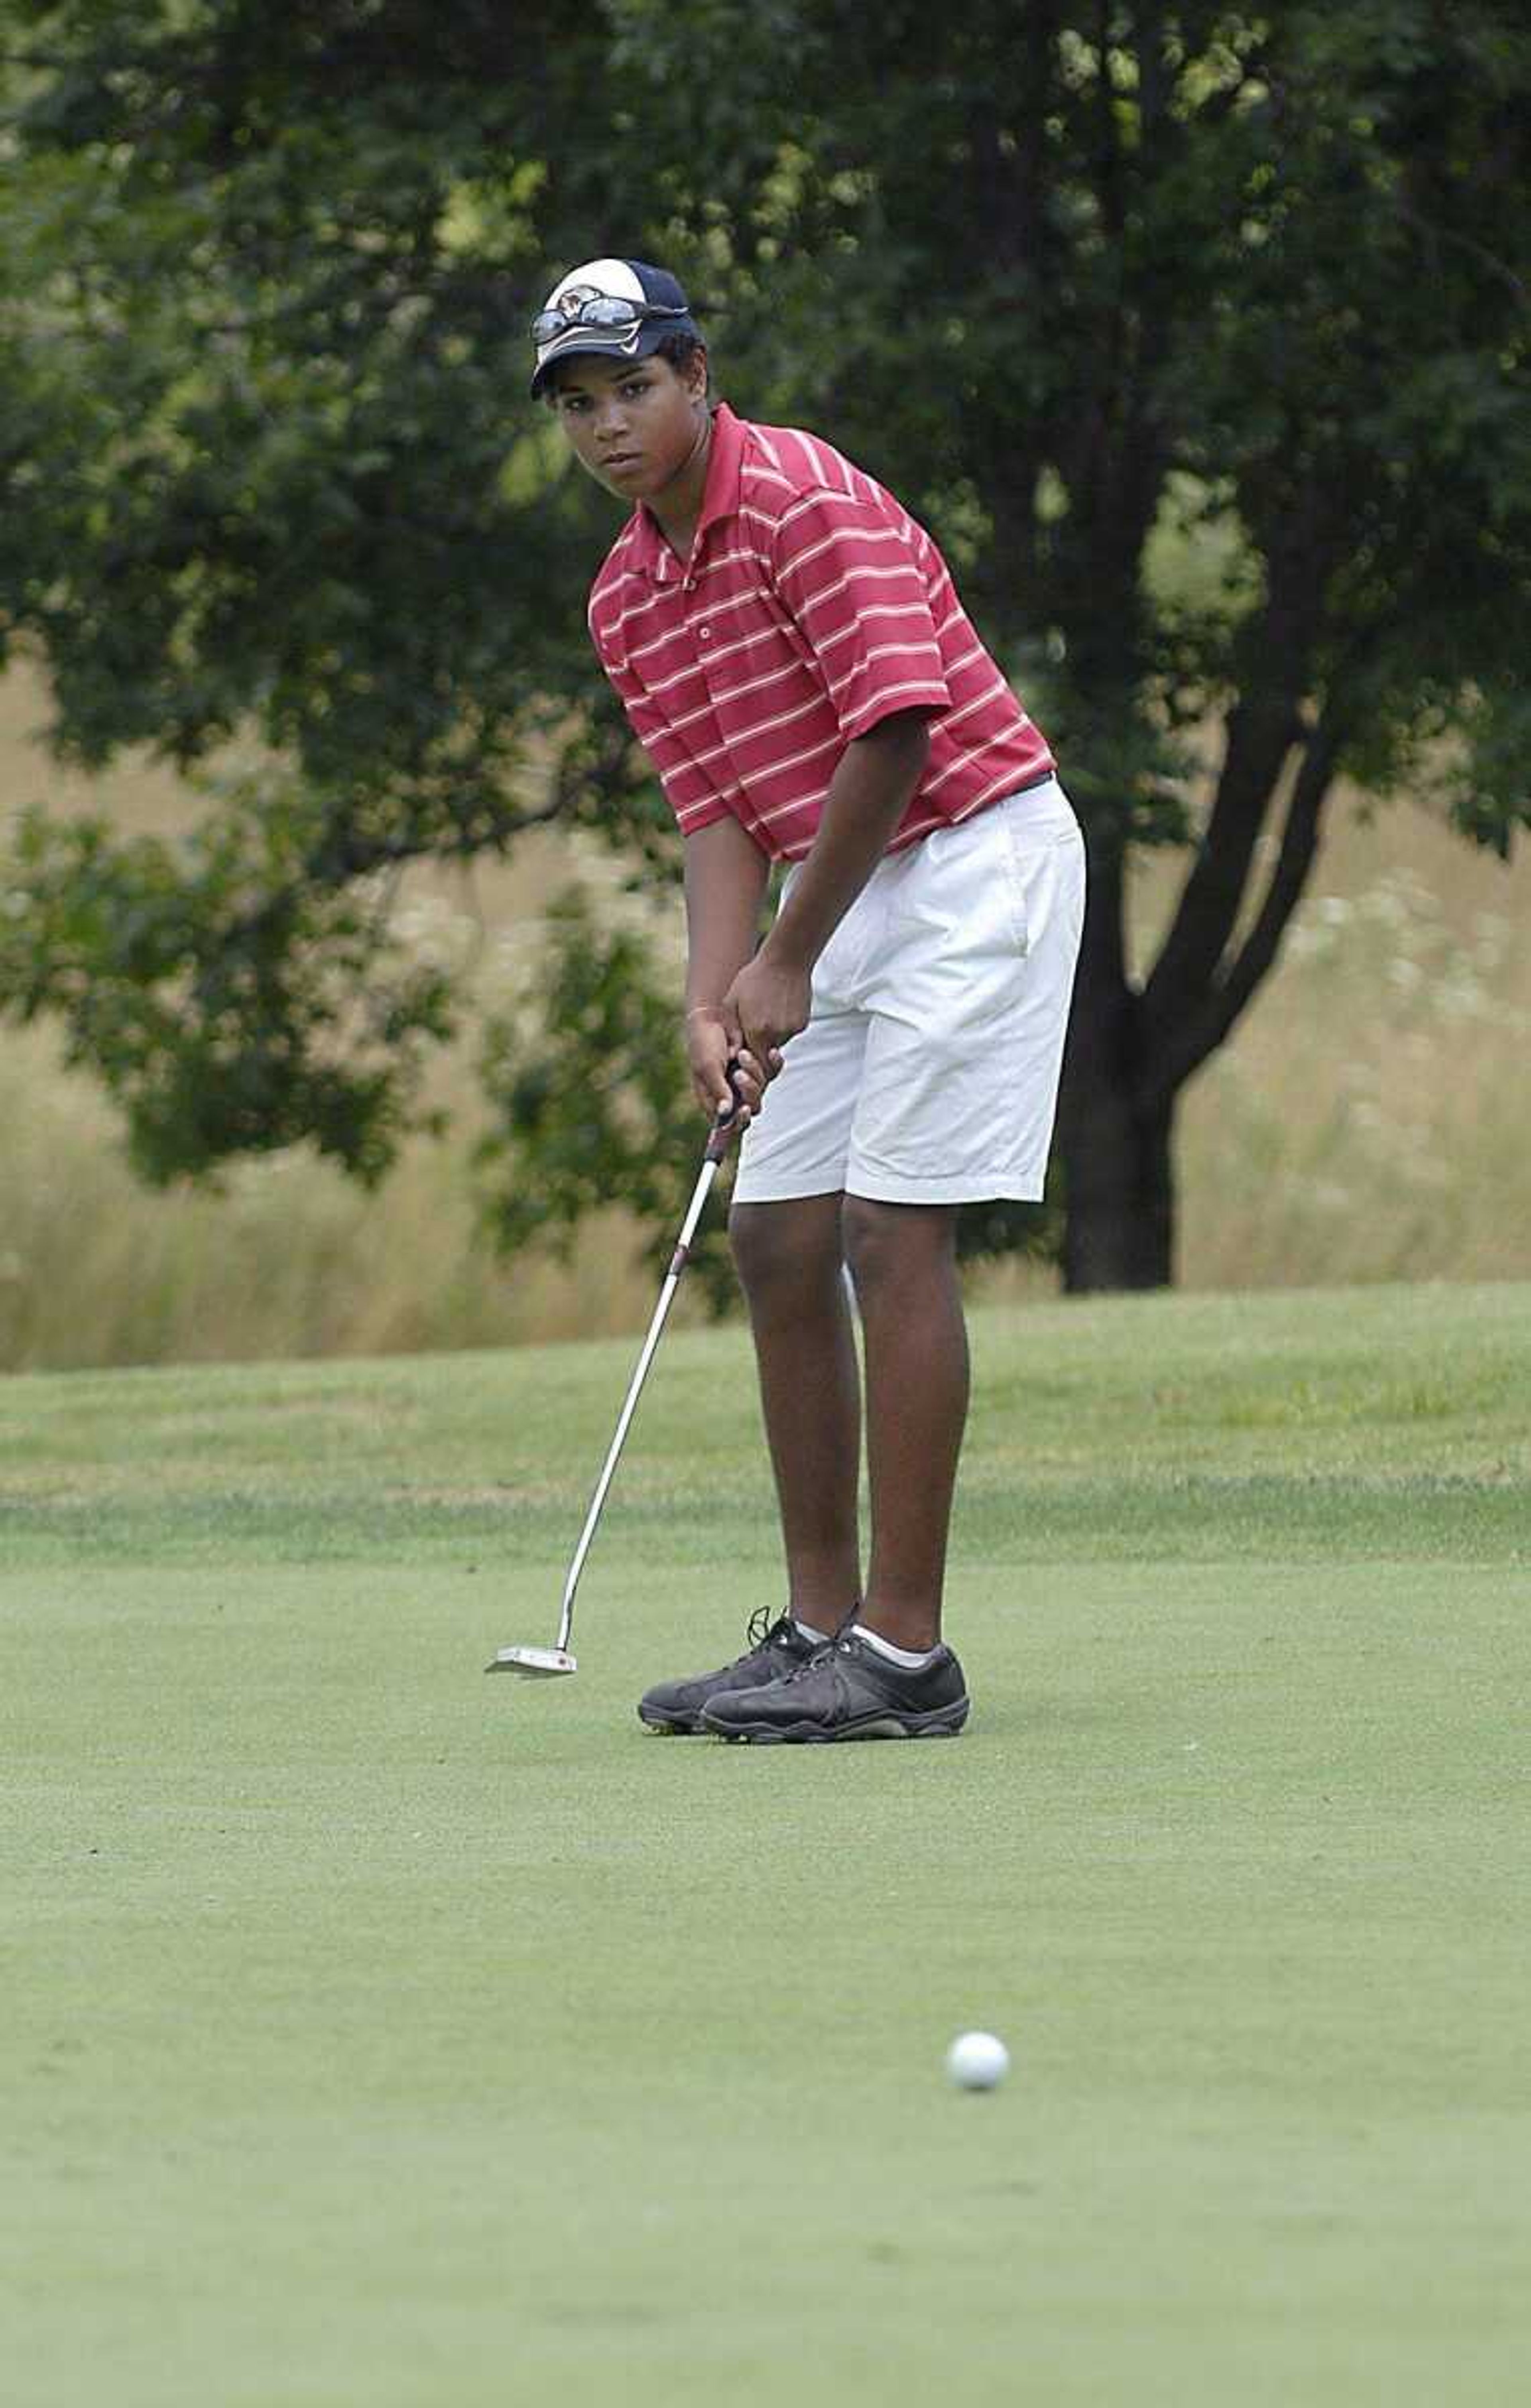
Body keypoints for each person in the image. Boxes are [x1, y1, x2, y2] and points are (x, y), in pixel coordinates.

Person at [531, 256, 1084, 1742]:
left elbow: (897, 728)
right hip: (832, 893)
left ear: (698, 375)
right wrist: (711, 999)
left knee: (886, 1227)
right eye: (579, 404)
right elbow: (712, 809)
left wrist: (787, 957)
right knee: (776, 1236)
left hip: (974, 855)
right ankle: (821, 1630)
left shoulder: (802, 500)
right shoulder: (626, 595)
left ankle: (906, 1655)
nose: (607, 426)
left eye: (633, 388)